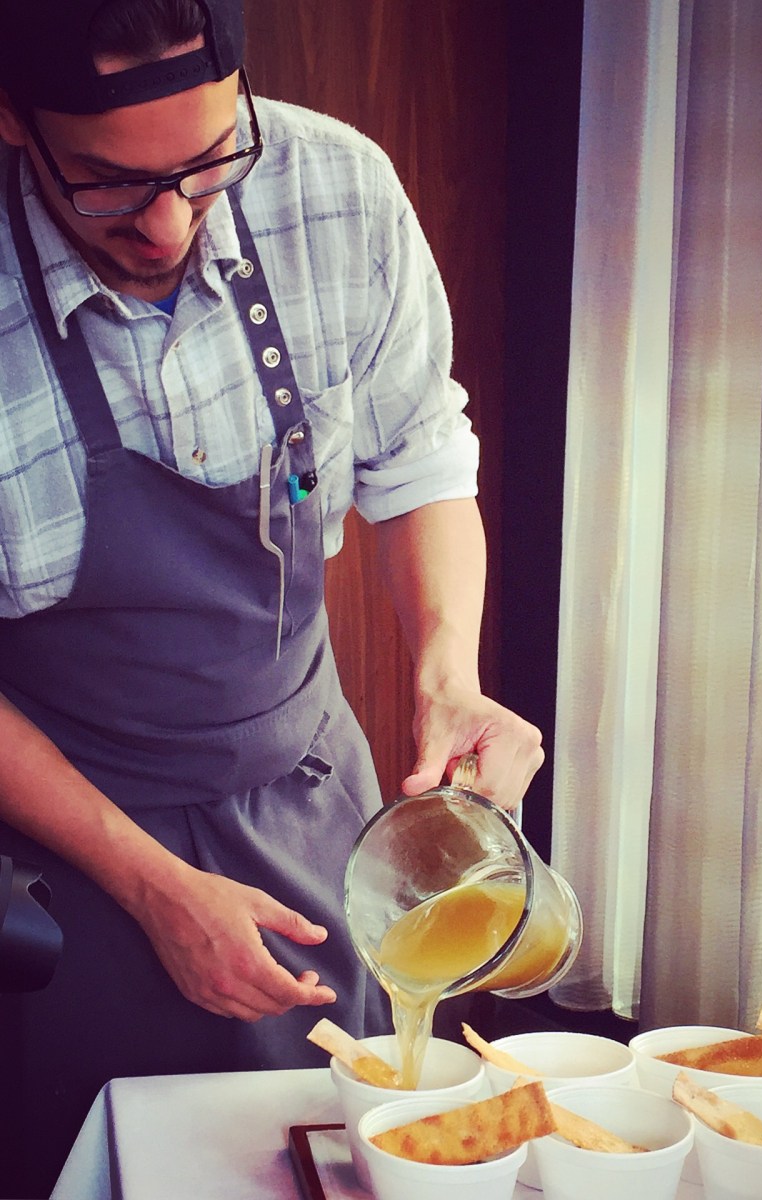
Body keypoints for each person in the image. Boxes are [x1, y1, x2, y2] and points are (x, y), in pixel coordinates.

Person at [0, 0, 543, 1192]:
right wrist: (148, 883)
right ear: (15, 124)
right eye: (106, 185)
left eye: (207, 167)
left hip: (314, 807)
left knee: (346, 1152)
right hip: (64, 847)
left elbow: (416, 453)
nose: (168, 223)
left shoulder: (336, 191)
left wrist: (449, 674)